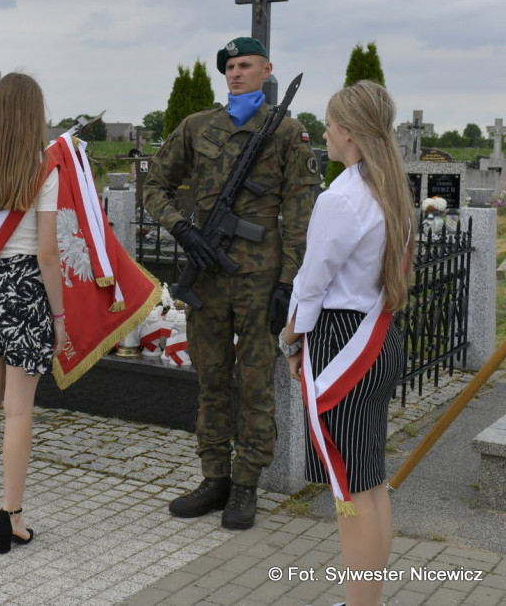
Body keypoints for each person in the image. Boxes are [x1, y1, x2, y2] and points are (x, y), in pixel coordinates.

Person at [143, 37, 321, 529]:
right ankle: (214, 477)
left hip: (259, 279)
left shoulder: (287, 132)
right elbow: (154, 185)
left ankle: (246, 485)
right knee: (211, 380)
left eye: (245, 65)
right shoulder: (198, 127)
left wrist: (289, 283)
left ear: (266, 69)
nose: (236, 73)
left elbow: (300, 214)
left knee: (256, 383)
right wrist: (182, 228)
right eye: (229, 67)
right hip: (209, 275)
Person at [281, 80, 413, 606]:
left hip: (342, 345)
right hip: (377, 337)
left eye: (332, 124)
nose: (326, 132)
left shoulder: (342, 197)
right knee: (370, 480)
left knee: (350, 492)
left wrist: (292, 340)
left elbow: (312, 282)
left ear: (352, 134)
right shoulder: (390, 190)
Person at [0, 73, 65, 554]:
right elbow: (46, 254)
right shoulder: (44, 167)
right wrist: (59, 318)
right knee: (18, 410)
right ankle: (13, 519)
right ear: (34, 114)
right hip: (25, 290)